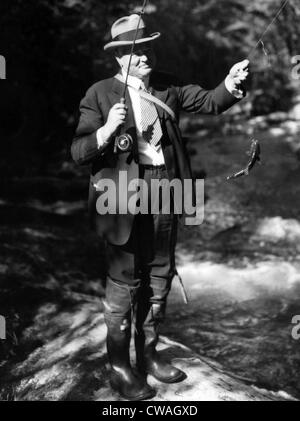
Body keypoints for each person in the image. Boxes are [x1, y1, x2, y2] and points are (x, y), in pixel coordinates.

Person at [71, 13, 249, 401]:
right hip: (118, 194)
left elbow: (211, 102)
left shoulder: (168, 85)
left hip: (167, 185)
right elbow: (78, 151)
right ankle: (120, 367)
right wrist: (104, 131)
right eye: (138, 50)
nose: (147, 55)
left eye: (149, 47)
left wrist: (232, 84)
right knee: (124, 280)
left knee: (160, 273)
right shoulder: (98, 93)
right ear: (120, 57)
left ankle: (148, 355)